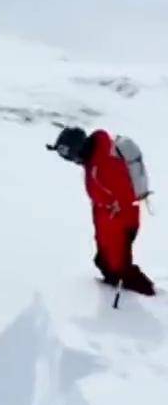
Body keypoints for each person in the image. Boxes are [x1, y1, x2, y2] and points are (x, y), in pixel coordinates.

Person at [49, 126, 155, 295]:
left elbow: (125, 196)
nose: (73, 161)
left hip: (119, 221)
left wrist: (117, 216)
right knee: (104, 261)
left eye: (70, 156)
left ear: (78, 149)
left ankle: (146, 298)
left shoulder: (105, 162)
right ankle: (113, 283)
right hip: (106, 219)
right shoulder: (94, 158)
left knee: (119, 267)